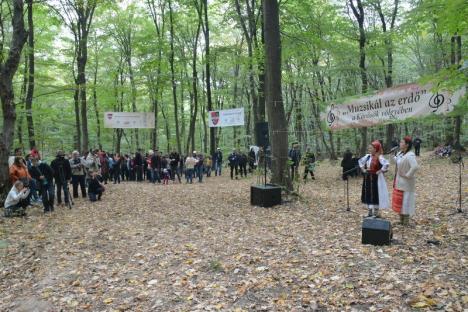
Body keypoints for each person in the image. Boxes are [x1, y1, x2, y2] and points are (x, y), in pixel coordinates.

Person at [358, 140, 390, 218]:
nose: (369, 149)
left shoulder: (379, 157)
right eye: (369, 148)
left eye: (371, 148)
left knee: (375, 194)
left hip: (376, 179)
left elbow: (386, 164)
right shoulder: (367, 156)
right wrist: (363, 169)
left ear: (375, 149)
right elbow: (360, 162)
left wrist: (380, 171)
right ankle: (369, 212)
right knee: (368, 194)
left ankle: (375, 213)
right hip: (368, 178)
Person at [392, 136, 419, 226]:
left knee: (406, 200)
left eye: (401, 142)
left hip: (406, 182)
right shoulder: (400, 153)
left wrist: (407, 175)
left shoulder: (410, 155)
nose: (400, 143)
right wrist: (393, 156)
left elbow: (415, 167)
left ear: (407, 145)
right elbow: (398, 161)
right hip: (399, 181)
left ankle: (406, 221)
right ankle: (401, 220)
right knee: (400, 200)